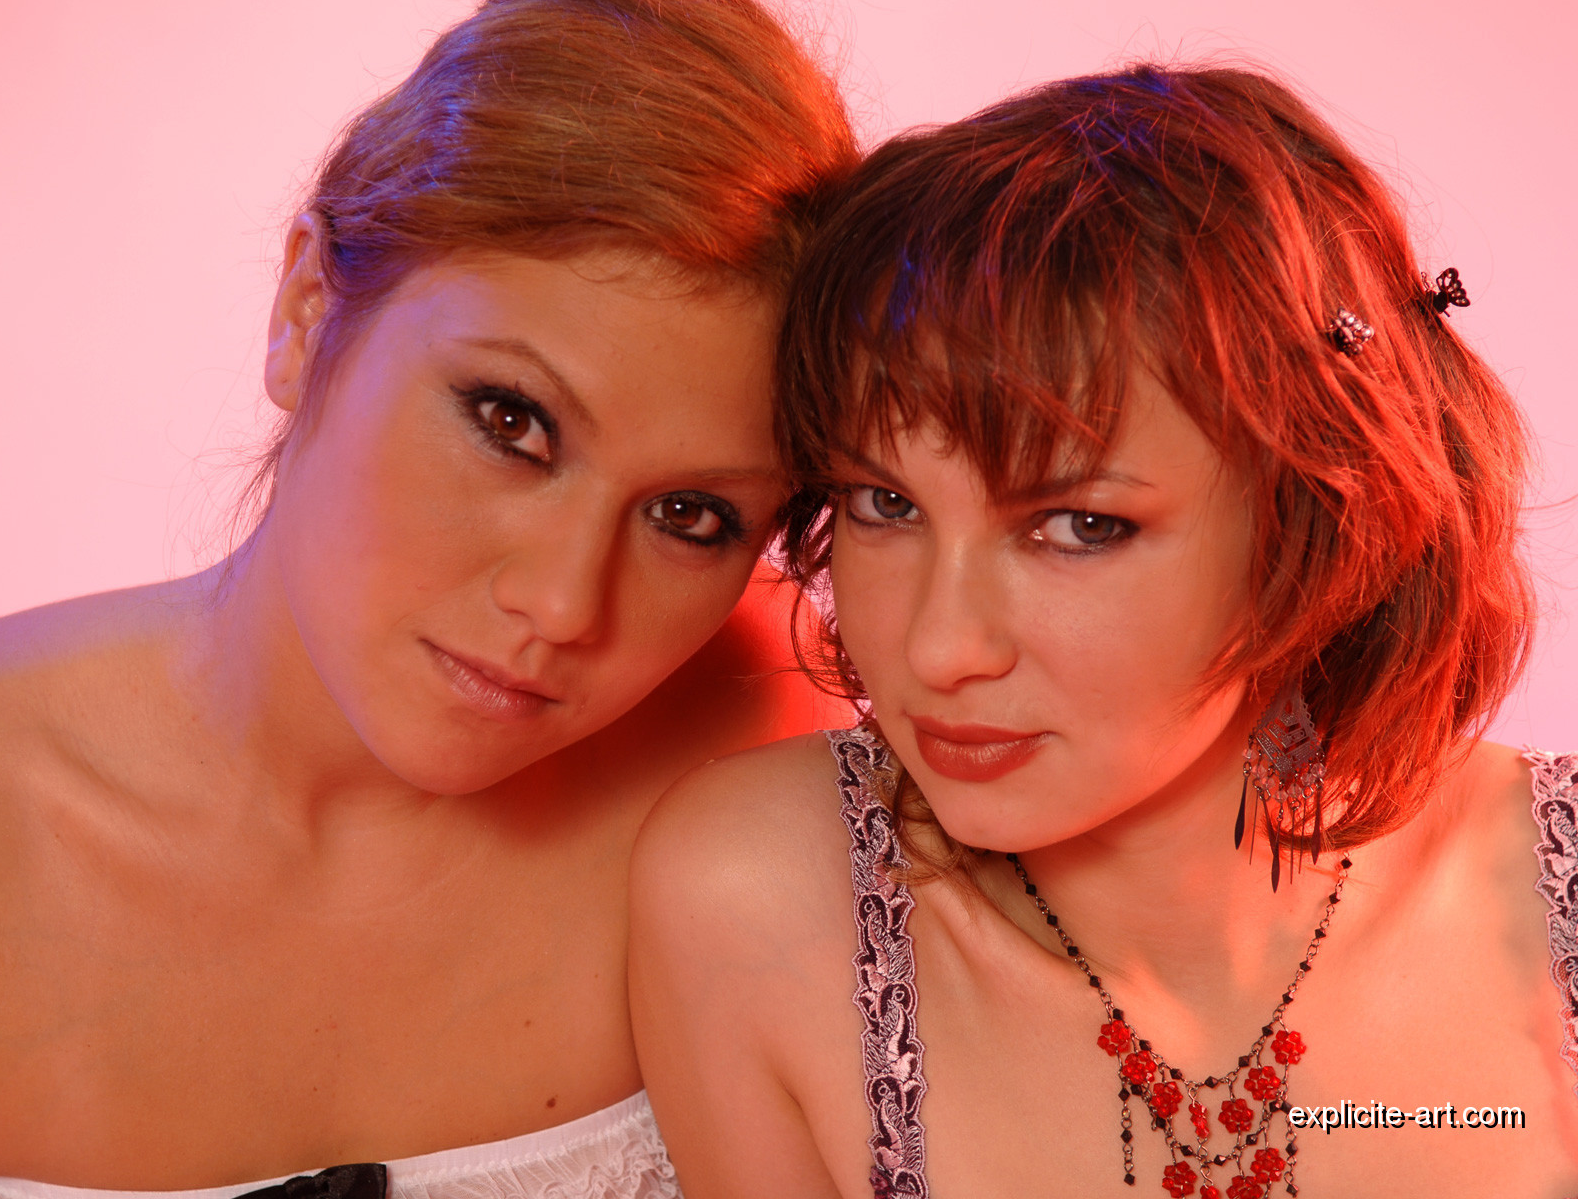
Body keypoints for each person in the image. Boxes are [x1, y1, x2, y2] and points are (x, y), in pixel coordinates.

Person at [0, 1, 855, 1195]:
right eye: (511, 422)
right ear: (305, 311)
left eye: (691, 516)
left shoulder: (767, 733)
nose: (563, 606)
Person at [630, 65, 1578, 1197]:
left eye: (1078, 525)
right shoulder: (763, 900)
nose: (939, 650)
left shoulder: (1552, 895)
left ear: (1318, 522)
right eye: (887, 504)